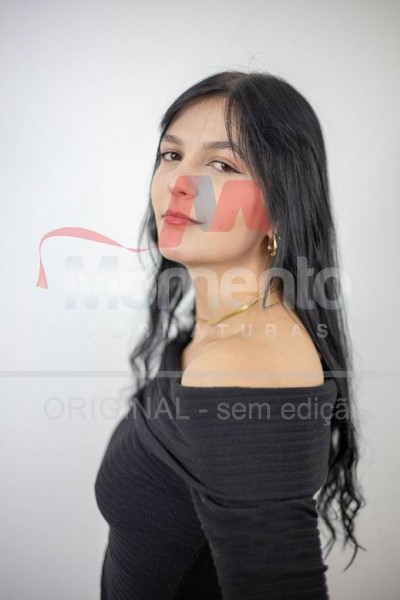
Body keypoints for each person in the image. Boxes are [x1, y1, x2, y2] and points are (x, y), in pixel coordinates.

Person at [94, 70, 366, 599]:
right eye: (172, 154)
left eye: (222, 165)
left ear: (282, 204)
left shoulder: (247, 366)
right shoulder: (211, 330)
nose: (179, 182)